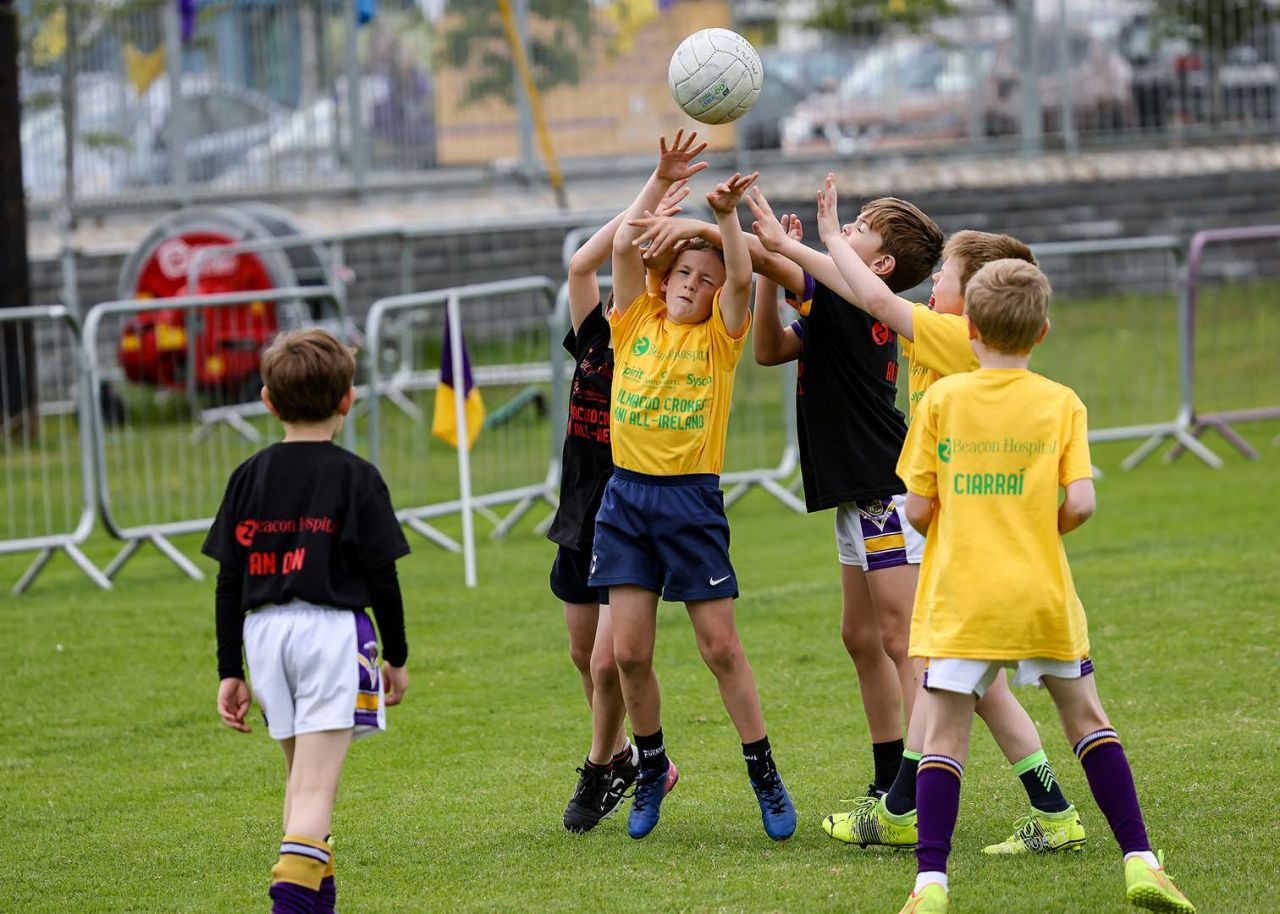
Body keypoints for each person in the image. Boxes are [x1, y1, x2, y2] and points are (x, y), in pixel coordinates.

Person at [775, 175, 1086, 855]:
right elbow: (865, 295)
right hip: (947, 525)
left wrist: (819, 236)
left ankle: (908, 810)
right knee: (966, 676)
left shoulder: (950, 334)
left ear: (972, 299)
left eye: (944, 274)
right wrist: (793, 249)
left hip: (948, 528)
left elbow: (875, 295)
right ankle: (1039, 810)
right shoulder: (946, 333)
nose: (935, 282)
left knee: (950, 669)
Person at [893, 259, 1194, 914]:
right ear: (1044, 331)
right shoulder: (1062, 403)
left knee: (944, 734)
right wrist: (1036, 527)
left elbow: (914, 510)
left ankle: (931, 883)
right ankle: (1141, 860)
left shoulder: (942, 399)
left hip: (963, 592)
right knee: (1086, 718)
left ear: (967, 327)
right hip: (1041, 592)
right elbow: (1081, 503)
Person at [630, 191, 942, 811]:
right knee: (859, 636)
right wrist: (773, 269)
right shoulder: (839, 298)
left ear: (880, 268)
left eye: (858, 229)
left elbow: (760, 254)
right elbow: (770, 349)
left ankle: (917, 790)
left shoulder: (848, 295)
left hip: (884, 490)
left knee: (900, 640)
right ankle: (887, 779)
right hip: (858, 494)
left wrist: (700, 228)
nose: (844, 231)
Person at [589, 130, 796, 841]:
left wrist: (726, 220)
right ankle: (651, 767)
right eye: (684, 272)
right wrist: (659, 181)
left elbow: (743, 279)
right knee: (628, 654)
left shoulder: (720, 337)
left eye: (705, 280)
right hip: (626, 500)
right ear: (663, 275)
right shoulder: (635, 317)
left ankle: (762, 768)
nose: (693, 284)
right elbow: (622, 249)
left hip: (689, 503)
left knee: (719, 648)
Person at [204, 329, 411, 914]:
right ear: (348, 398)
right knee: (317, 790)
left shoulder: (248, 474)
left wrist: (229, 668)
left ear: (268, 401)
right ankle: (290, 907)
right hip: (330, 634)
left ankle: (318, 906)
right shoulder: (356, 475)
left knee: (301, 785)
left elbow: (227, 580)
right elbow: (382, 577)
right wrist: (396, 656)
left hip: (264, 635)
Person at [552, 180, 690, 833]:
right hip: (578, 510)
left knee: (609, 661)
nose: (615, 281)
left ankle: (601, 766)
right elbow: (581, 263)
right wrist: (653, 193)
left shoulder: (655, 348)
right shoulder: (594, 336)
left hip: (629, 515)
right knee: (585, 658)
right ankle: (635, 758)